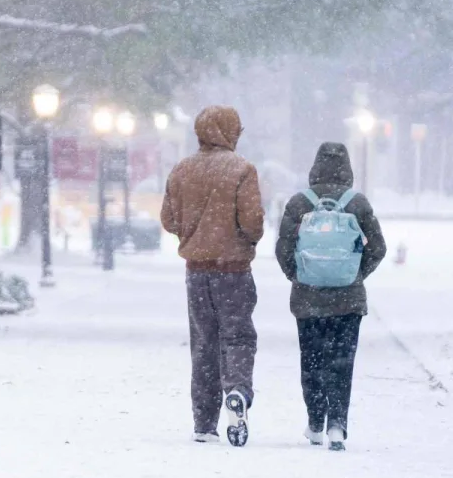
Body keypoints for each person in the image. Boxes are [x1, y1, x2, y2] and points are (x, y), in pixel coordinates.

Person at [161, 105, 265, 447]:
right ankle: (236, 390)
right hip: (234, 270)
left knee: (203, 343)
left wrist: (192, 236)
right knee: (237, 336)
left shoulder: (181, 170)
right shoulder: (241, 170)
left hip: (196, 272)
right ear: (229, 131)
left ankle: (205, 422)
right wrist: (242, 239)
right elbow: (252, 222)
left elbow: (168, 220)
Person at [276, 143, 386, 452]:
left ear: (315, 167)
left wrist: (299, 276)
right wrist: (356, 274)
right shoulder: (357, 203)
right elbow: (378, 247)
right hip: (348, 300)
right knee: (341, 363)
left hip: (308, 300)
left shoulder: (299, 203)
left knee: (312, 361)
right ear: (347, 169)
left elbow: (282, 249)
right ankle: (337, 425)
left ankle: (314, 424)